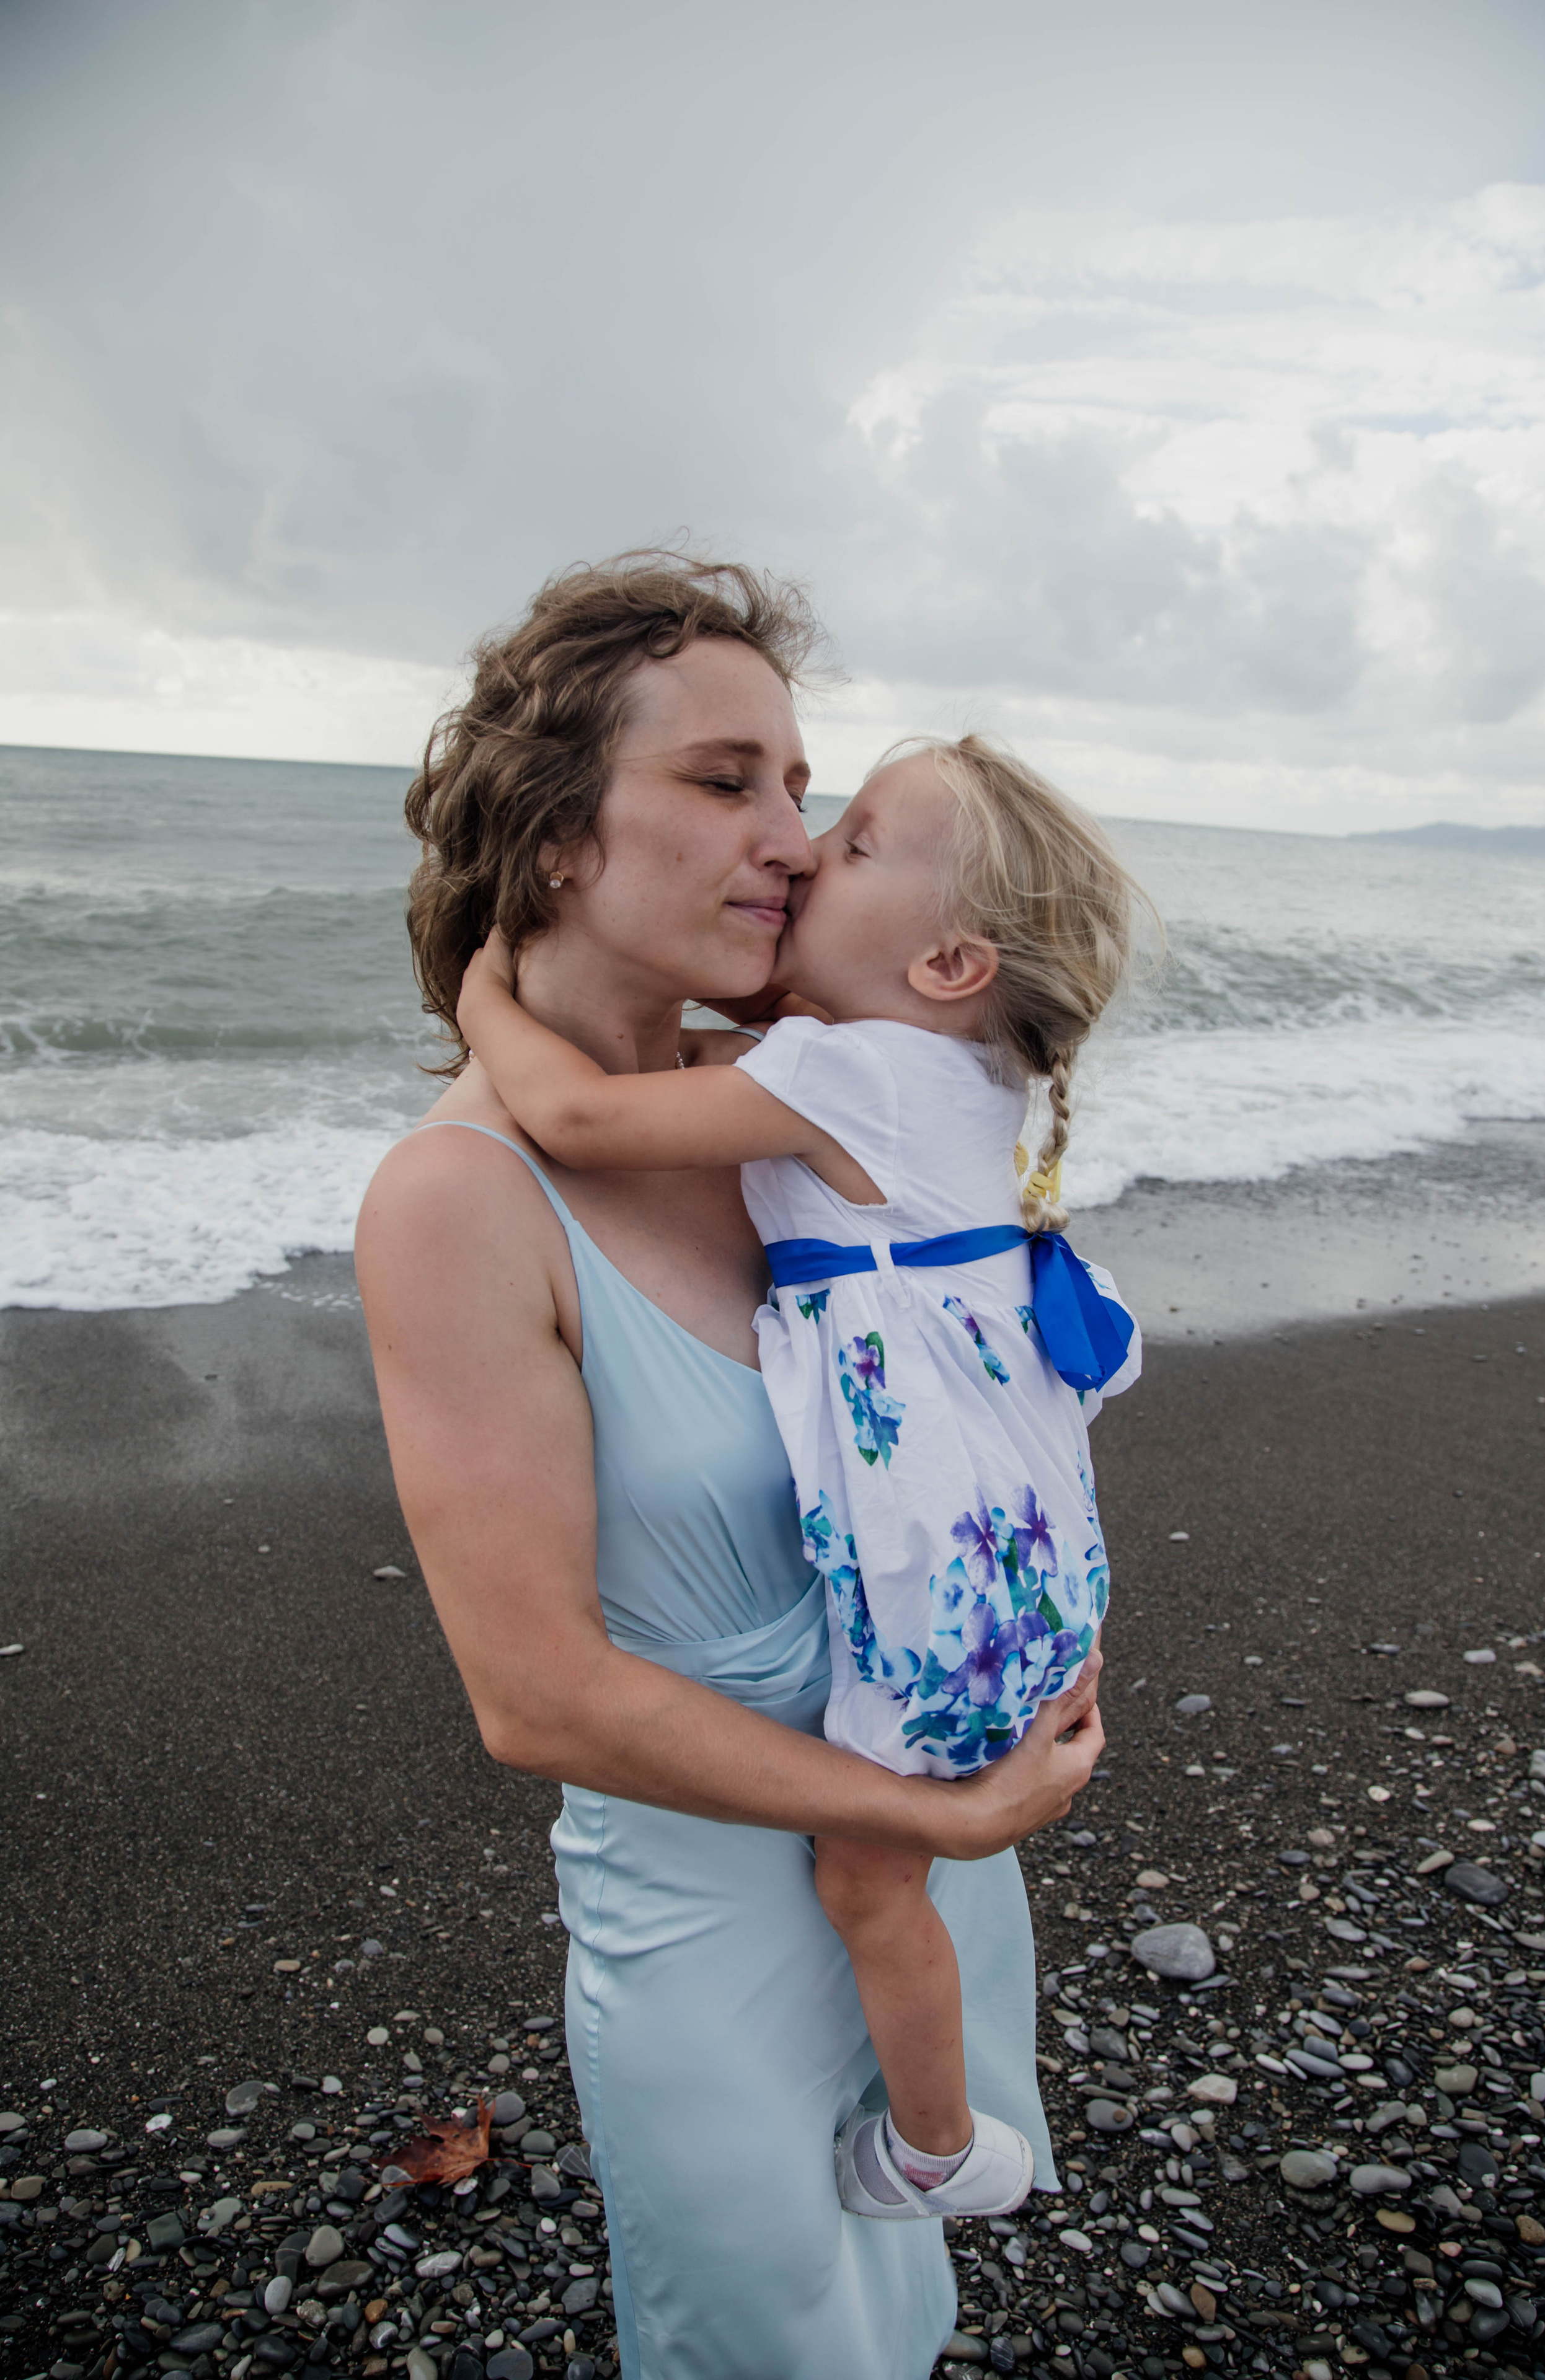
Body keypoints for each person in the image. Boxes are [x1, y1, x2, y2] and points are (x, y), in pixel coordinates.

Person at [356, 553, 1107, 2380]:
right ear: (552, 838)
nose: (788, 834)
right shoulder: (462, 1202)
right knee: (769, 2334)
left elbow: (962, 1393)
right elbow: (537, 1699)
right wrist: (923, 1820)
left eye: (803, 788)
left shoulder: (803, 1105)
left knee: (901, 2304)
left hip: (929, 1842)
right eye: (725, 782)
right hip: (730, 1915)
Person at [456, 732, 1142, 2224]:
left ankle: (933, 2150)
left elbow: (574, 1118)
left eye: (856, 843)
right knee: (890, 1871)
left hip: (941, 1569)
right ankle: (948, 2124)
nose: (806, 850)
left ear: (950, 961)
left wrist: (480, 994)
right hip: (1021, 1545)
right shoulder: (939, 1068)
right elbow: (705, 1050)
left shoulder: (843, 1073)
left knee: (867, 1879)